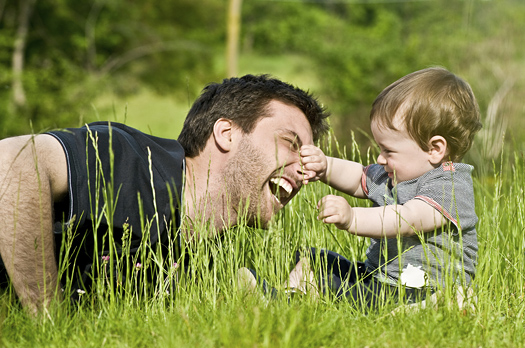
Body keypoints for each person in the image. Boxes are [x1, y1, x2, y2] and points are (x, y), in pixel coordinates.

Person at [0, 74, 330, 314]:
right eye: (292, 144)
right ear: (227, 134)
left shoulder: (215, 257)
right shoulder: (131, 162)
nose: (307, 170)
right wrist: (48, 319)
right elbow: (12, 161)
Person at [297, 67, 482, 308]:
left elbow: (408, 219)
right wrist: (324, 167)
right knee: (314, 258)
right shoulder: (396, 173)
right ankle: (293, 297)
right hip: (379, 277)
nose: (381, 159)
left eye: (389, 150)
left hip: (417, 288)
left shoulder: (450, 186)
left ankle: (438, 305)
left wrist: (352, 218)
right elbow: (358, 176)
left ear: (435, 149)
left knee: (338, 290)